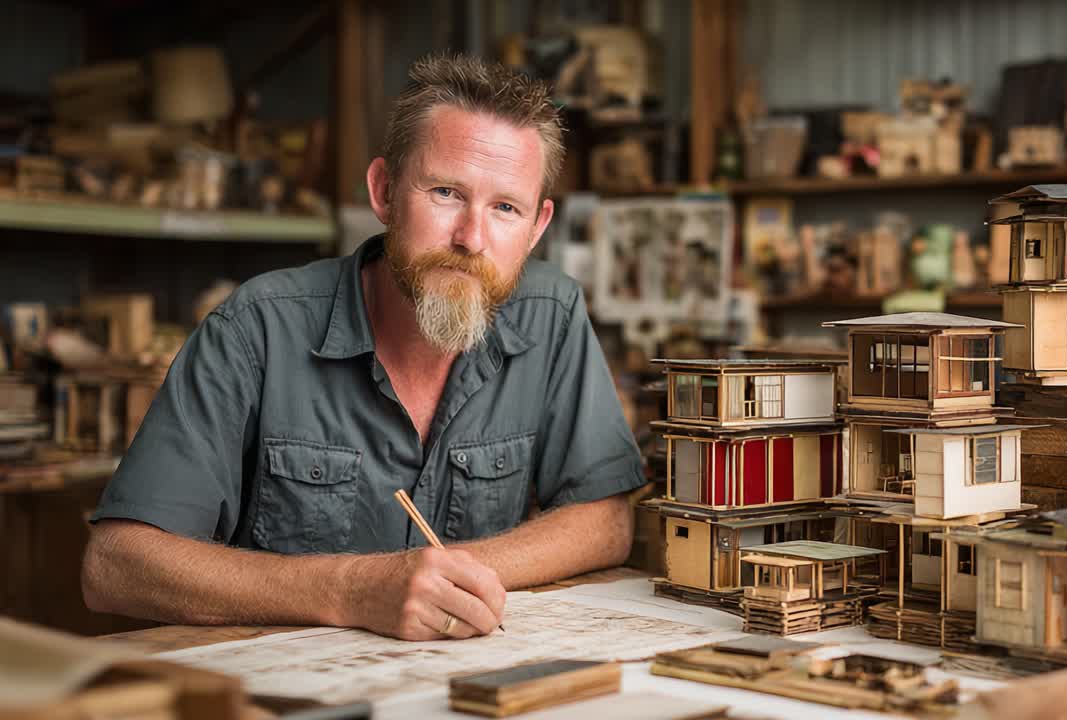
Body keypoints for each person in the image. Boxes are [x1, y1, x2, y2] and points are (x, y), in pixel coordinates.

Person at [81, 54, 647, 641]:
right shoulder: (256, 329)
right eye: (447, 192)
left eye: (505, 208)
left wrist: (447, 581)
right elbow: (116, 565)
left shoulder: (552, 315)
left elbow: (604, 520)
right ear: (384, 192)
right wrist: (355, 589)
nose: (472, 239)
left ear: (536, 228)